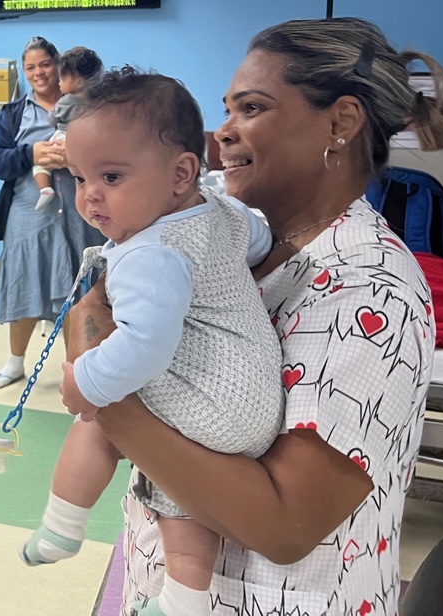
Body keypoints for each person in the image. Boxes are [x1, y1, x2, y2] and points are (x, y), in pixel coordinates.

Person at [62, 18, 443, 615]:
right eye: (227, 110)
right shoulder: (229, 243)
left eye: (252, 108)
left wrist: (104, 392)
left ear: (340, 123)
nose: (225, 132)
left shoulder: (368, 290)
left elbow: (284, 525)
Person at [22, 70, 282, 616]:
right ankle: (185, 601)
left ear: (181, 172)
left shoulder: (149, 253)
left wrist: (85, 383)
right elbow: (260, 241)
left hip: (210, 400)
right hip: (257, 404)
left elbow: (145, 345)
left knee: (98, 422)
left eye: (112, 176)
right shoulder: (221, 209)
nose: (90, 196)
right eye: (79, 178)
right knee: (181, 495)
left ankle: (63, 524)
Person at [0, 37, 104, 389]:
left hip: (81, 210)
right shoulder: (14, 113)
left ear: (59, 66)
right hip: (30, 212)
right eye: (30, 68)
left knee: (79, 291)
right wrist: (32, 153)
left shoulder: (92, 104)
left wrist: (78, 156)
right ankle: (15, 363)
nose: (38, 73)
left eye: (45, 65)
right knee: (25, 280)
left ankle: (75, 370)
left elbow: (113, 147)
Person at [34, 46, 104, 211]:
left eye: (62, 79)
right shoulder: (98, 102)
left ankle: (45, 189)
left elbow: (52, 119)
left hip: (63, 138)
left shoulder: (66, 101)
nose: (59, 83)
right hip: (87, 143)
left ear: (78, 81)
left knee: (41, 165)